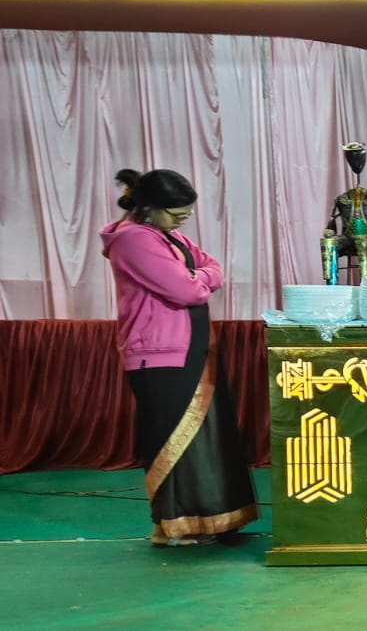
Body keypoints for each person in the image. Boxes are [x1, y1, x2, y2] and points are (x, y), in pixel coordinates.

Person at [101, 169, 258, 547]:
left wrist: (196, 276)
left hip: (191, 347)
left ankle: (205, 521)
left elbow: (211, 267)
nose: (182, 221)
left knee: (203, 440)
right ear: (149, 208)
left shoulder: (168, 236)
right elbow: (186, 291)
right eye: (176, 214)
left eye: (186, 215)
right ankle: (172, 525)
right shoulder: (134, 240)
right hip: (159, 354)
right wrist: (198, 279)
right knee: (174, 441)